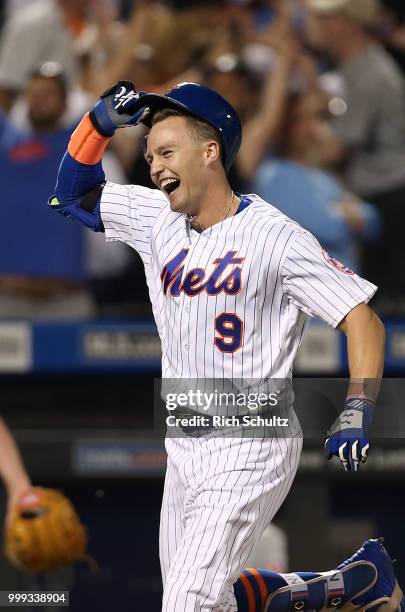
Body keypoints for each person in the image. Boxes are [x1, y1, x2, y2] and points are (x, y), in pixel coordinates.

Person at [48, 81, 397, 611]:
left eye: (167, 152)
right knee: (213, 599)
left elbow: (363, 320)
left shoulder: (275, 236)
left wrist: (357, 405)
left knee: (188, 602)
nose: (155, 167)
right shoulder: (156, 218)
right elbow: (70, 194)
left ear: (210, 152)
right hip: (185, 444)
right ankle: (345, 587)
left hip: (251, 439)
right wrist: (96, 124)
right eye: (148, 157)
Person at [306, 0, 405, 312]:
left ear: (345, 24)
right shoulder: (353, 67)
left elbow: (337, 149)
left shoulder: (370, 72)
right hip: (376, 193)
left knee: (391, 304)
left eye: (325, 19)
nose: (318, 26)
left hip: (391, 197)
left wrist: (296, 161)